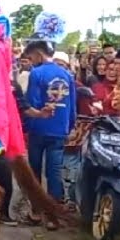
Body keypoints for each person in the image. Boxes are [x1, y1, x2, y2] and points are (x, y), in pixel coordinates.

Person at [22, 39, 77, 224]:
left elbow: (32, 102)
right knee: (54, 172)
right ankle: (54, 216)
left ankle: (36, 211)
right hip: (59, 128)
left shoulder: (36, 73)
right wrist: (70, 127)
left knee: (34, 171)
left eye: (31, 57)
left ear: (38, 54)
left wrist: (27, 126)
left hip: (39, 127)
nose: (31, 61)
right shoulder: (66, 74)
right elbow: (72, 105)